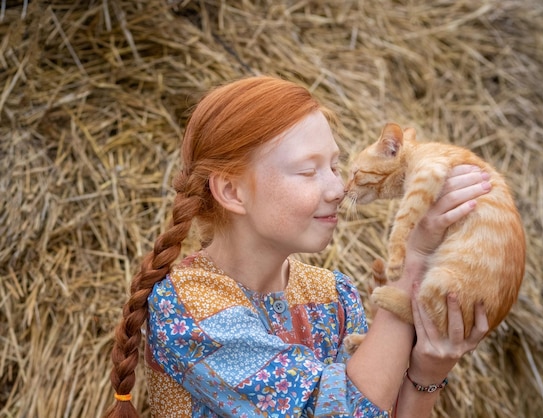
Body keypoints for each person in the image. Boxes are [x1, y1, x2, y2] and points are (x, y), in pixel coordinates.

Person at [105, 75, 491, 418]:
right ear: (231, 191)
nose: (339, 189)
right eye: (309, 171)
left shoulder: (334, 296)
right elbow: (343, 412)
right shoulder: (188, 306)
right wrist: (415, 260)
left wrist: (426, 374)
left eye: (336, 167)